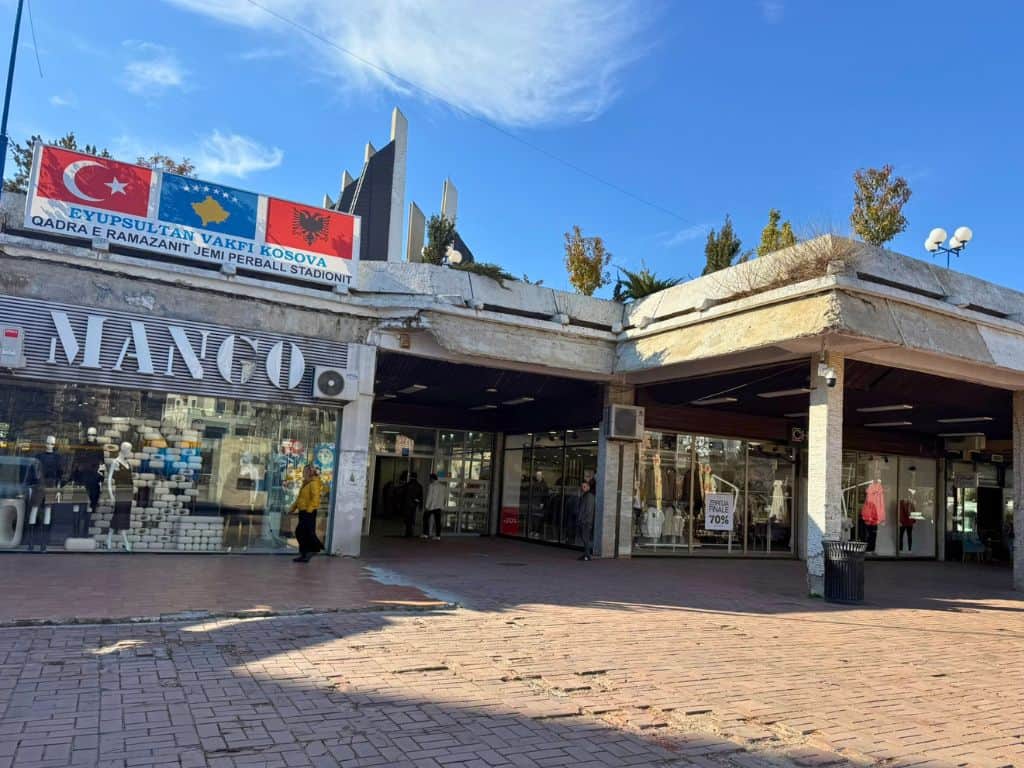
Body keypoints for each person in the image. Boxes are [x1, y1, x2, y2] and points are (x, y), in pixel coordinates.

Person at [290, 465, 324, 562]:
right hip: (303, 511)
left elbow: (315, 499)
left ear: (310, 472)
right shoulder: (305, 483)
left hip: (309, 511)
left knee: (302, 532)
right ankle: (305, 554)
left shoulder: (314, 483)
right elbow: (300, 498)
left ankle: (314, 549)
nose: (303, 473)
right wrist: (292, 508)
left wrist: (309, 510)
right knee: (303, 533)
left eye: (305, 471)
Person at [422, 473, 447, 540]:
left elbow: (430, 496)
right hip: (439, 506)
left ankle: (425, 534)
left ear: (432, 478)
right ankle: (438, 536)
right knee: (438, 521)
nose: (429, 480)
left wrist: (427, 506)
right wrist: (442, 506)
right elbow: (444, 497)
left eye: (430, 478)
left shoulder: (432, 486)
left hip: (431, 506)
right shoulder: (443, 486)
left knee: (425, 519)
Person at [577, 480, 596, 561]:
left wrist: (583, 520)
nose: (583, 488)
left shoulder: (589, 496)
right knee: (584, 538)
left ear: (588, 487)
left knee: (586, 538)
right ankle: (586, 554)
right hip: (584, 520)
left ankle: (587, 555)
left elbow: (589, 510)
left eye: (584, 486)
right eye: (582, 487)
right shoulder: (585, 495)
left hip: (586, 521)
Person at [403, 471, 424, 538]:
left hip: (407, 504)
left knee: (407, 518)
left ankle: (408, 532)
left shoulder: (407, 485)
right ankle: (410, 531)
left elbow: (403, 494)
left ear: (411, 477)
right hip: (414, 504)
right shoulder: (419, 486)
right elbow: (421, 496)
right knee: (412, 517)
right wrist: (420, 505)